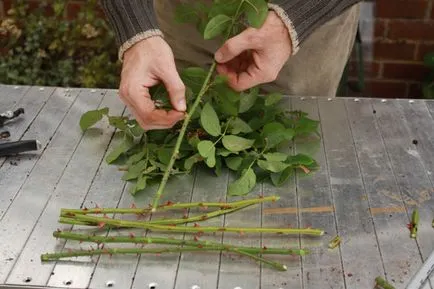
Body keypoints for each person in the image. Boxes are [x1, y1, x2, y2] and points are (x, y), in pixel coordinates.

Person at [100, 0, 362, 131]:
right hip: (187, 13)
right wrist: (136, 32)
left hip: (304, 16)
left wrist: (295, 21)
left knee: (290, 138)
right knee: (177, 125)